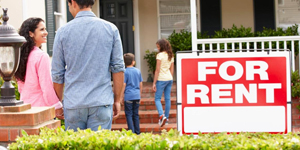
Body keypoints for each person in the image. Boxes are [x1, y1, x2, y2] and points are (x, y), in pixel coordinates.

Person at [51, 0, 125, 131]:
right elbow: (118, 68)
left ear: (73, 2)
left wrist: (58, 103)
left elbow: (57, 74)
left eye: (68, 5)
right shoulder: (111, 29)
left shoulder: (62, 32)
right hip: (101, 100)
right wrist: (117, 100)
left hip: (74, 102)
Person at [15, 18, 64, 119]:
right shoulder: (41, 56)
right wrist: (57, 106)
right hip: (41, 110)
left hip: (25, 108)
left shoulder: (20, 56)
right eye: (41, 29)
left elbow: (20, 87)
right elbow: (46, 87)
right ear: (31, 33)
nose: (46, 32)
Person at [152, 39, 174, 127]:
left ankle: (161, 116)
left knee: (157, 99)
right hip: (169, 78)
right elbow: (172, 69)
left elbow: (157, 70)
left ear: (162, 46)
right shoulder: (170, 55)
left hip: (161, 79)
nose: (157, 48)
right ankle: (166, 118)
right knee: (167, 99)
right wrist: (170, 77)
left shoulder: (160, 55)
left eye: (158, 46)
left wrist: (154, 82)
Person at [121, 53, 143, 134]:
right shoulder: (138, 71)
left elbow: (124, 84)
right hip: (136, 95)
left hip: (128, 96)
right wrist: (139, 94)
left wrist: (120, 97)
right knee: (136, 115)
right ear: (133, 62)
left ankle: (131, 132)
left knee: (129, 115)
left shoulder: (125, 72)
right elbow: (141, 83)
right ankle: (138, 132)